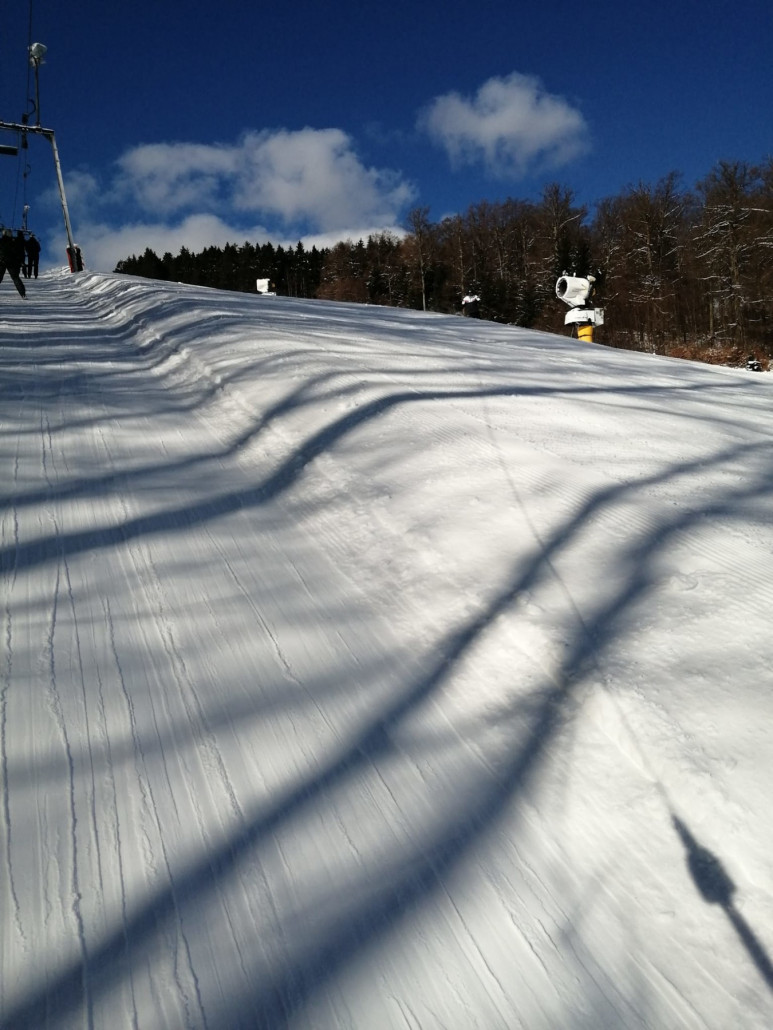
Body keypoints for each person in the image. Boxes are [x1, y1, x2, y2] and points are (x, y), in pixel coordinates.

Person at [0, 228, 27, 298]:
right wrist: (20, 261)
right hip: (12, 262)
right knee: (15, 278)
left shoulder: (1, 241)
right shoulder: (14, 242)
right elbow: (18, 253)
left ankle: (23, 293)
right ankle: (23, 294)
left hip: (1, 262)